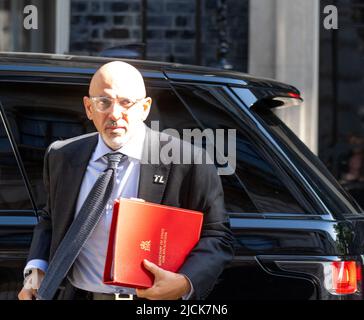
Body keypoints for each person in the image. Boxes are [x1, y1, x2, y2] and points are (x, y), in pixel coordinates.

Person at [18, 61, 234, 300]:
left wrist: (185, 282)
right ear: (89, 108)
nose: (115, 114)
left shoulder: (188, 161)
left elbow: (217, 235)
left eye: (126, 103)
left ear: (145, 108)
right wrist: (35, 275)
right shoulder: (62, 155)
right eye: (104, 102)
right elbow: (52, 219)